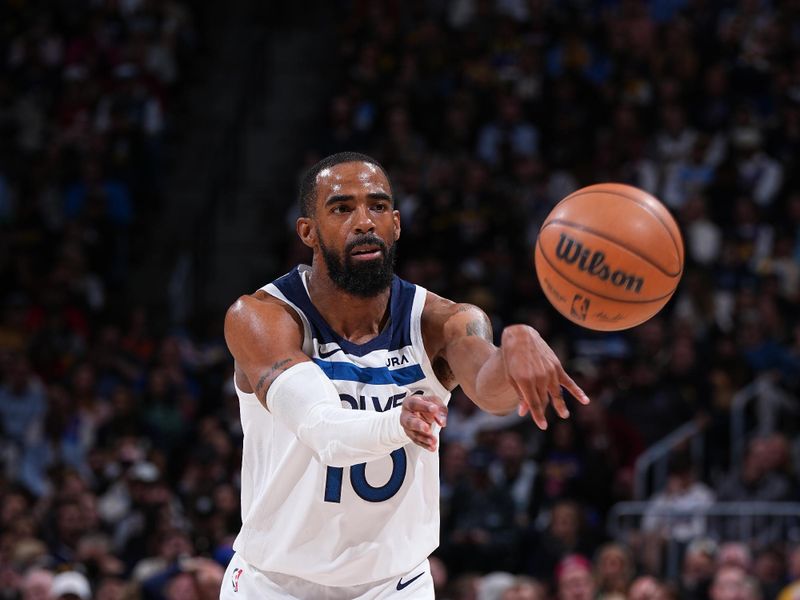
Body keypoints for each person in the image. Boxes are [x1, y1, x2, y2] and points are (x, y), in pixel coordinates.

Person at [221, 152, 590, 599]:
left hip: (395, 585)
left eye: (377, 206)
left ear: (396, 224)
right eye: (342, 208)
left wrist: (515, 347)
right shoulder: (262, 317)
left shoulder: (441, 320)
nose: (364, 222)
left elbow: (492, 393)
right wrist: (397, 422)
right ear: (308, 232)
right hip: (276, 585)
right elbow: (322, 430)